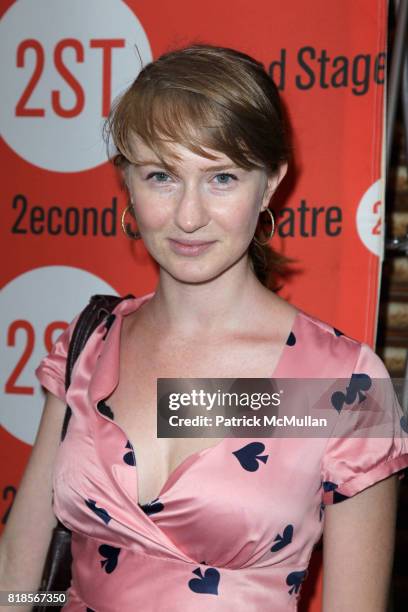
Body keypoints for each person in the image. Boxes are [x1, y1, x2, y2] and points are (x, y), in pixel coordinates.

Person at [1, 44, 408, 612]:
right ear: (127, 182)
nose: (188, 216)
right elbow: (17, 574)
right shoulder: (92, 343)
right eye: (162, 176)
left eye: (221, 178)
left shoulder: (339, 383)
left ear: (269, 185)